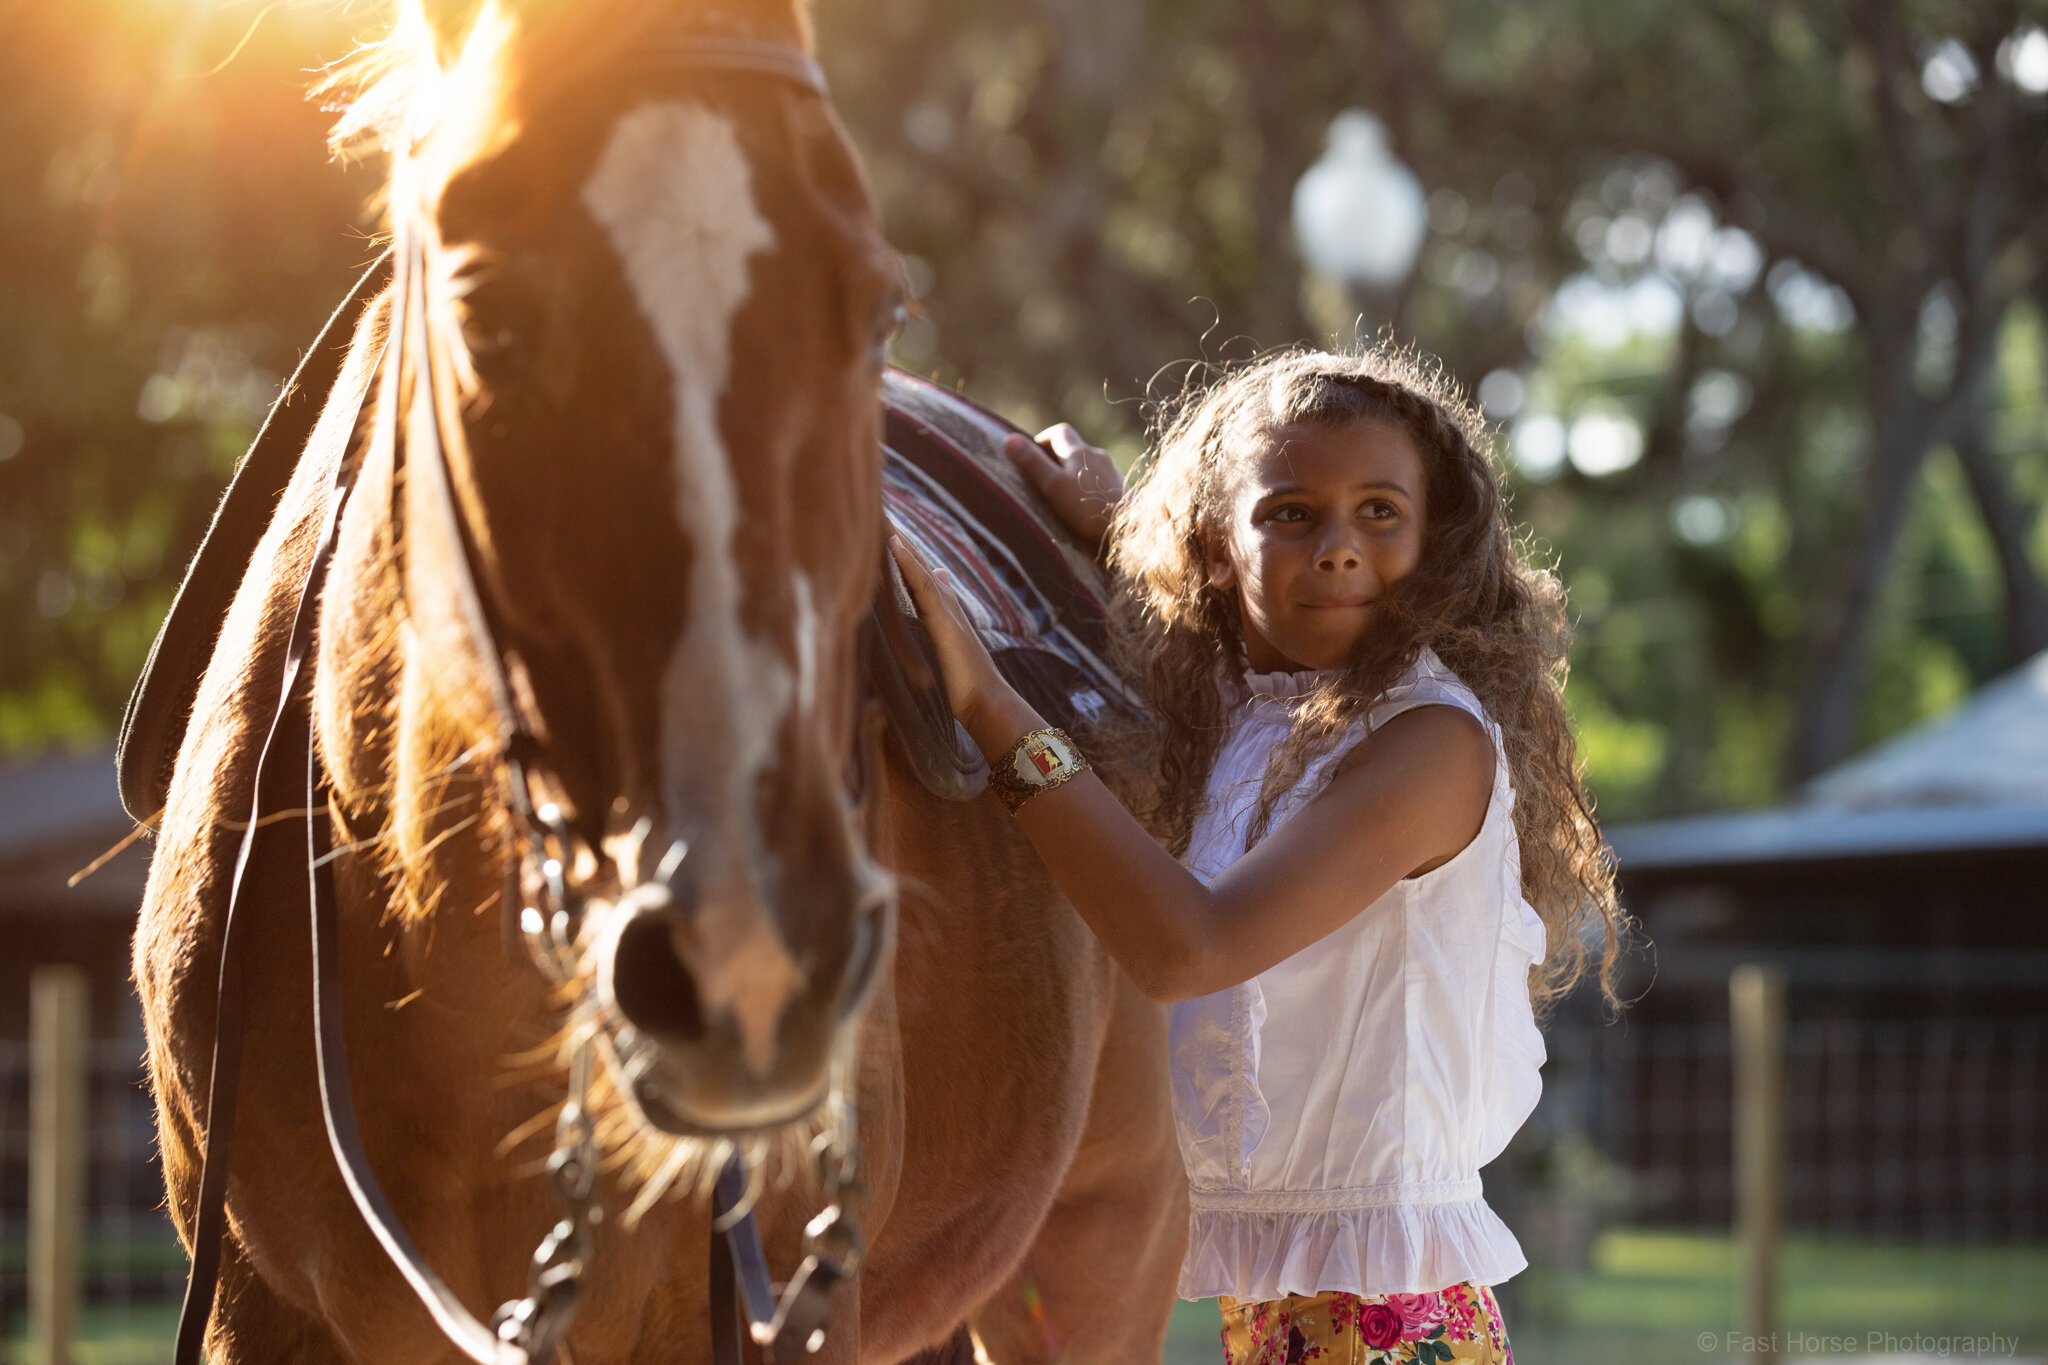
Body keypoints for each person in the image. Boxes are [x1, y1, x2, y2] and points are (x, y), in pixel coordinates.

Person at [889, 345, 1625, 1365]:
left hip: (1384, 1330)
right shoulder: (1254, 714)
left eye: (1379, 512)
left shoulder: (1425, 743)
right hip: (1294, 1323)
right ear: (1215, 545)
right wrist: (1115, 527)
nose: (1336, 547)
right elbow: (1209, 621)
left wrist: (988, 707)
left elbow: (1190, 949)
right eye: (1289, 513)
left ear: (1435, 543)